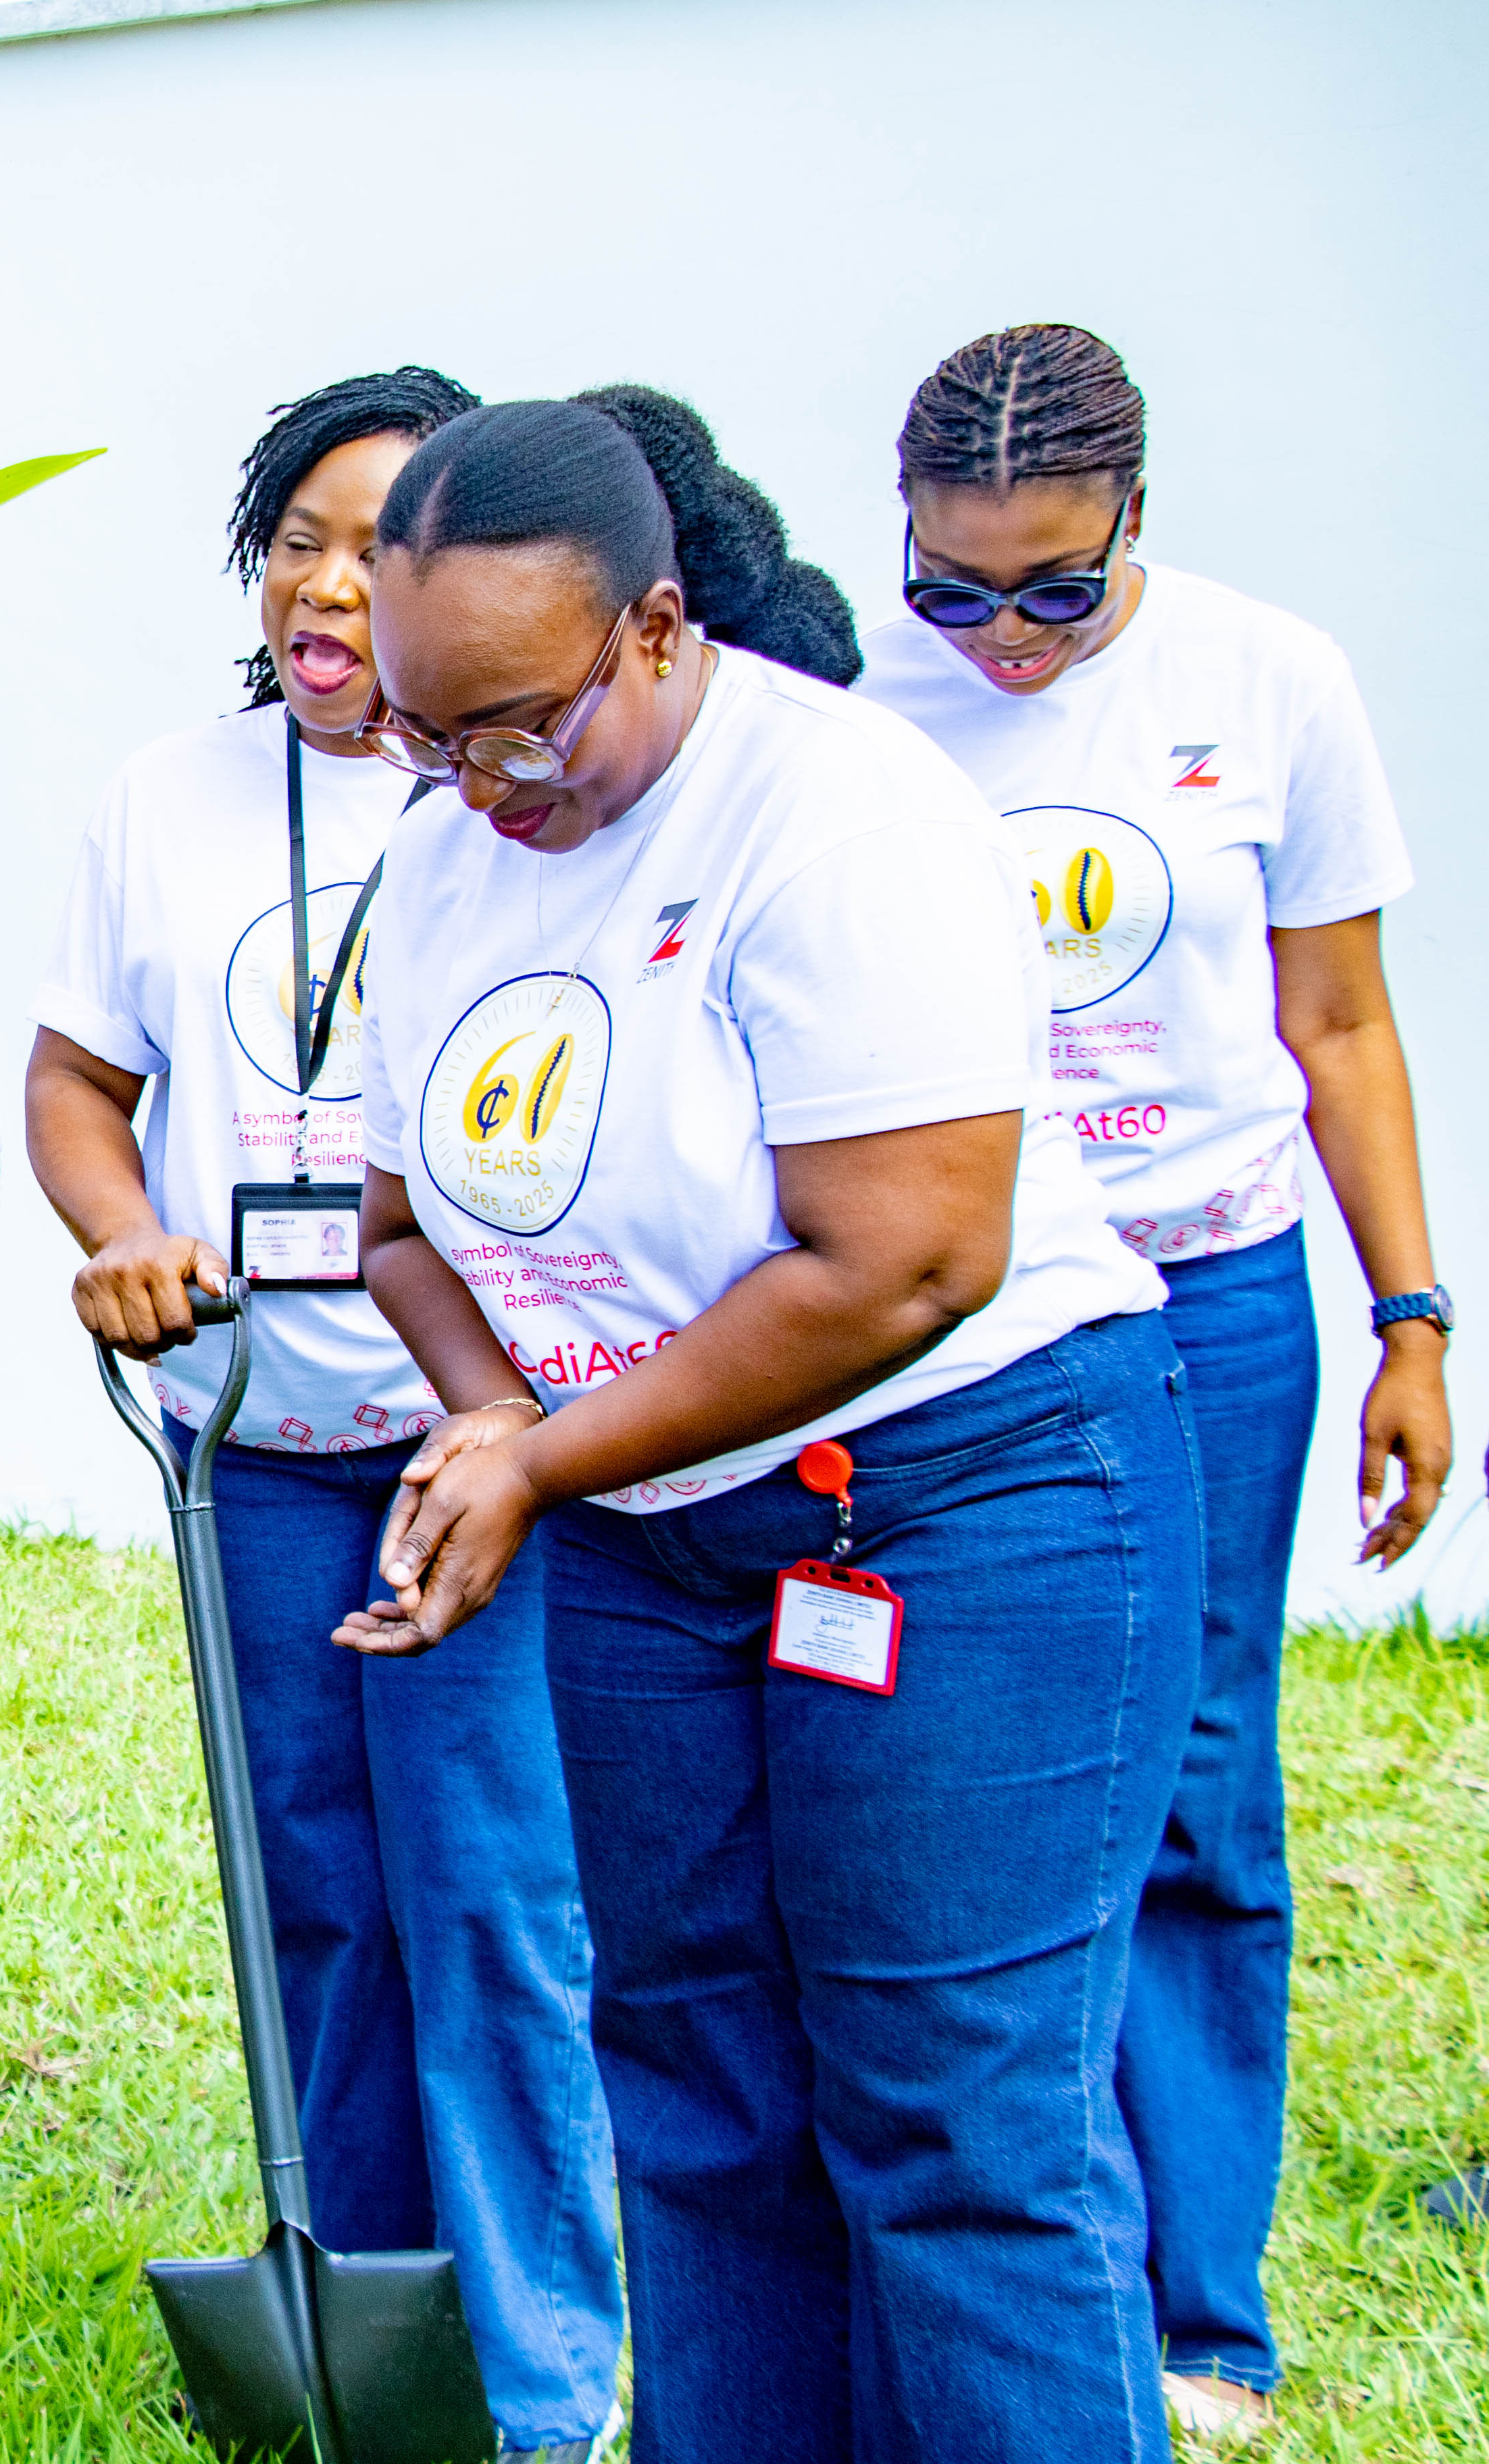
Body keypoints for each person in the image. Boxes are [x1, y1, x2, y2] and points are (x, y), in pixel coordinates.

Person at [335, 386, 1198, 2461]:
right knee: (698, 2089)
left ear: (657, 628)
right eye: (425, 735)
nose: (477, 785)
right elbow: (397, 1227)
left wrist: (543, 1457)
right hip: (653, 1540)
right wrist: (495, 1426)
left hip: (967, 1502)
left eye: (520, 727)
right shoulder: (442, 862)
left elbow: (904, 1261)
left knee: (953, 2124)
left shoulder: (838, 813)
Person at [855, 322, 1447, 2443]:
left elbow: (1341, 1028)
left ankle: (1201, 2306)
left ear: (1137, 523)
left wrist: (1411, 1317)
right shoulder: (852, 706)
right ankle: (1038, 2241)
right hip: (965, 1315)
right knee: (973, 1782)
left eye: (1054, 588)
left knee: (1199, 1773)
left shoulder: (1271, 680)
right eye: (954, 588)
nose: (1003, 638)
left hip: (1211, 1294)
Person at [28, 369, 622, 2462]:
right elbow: (76, 1085)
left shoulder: (522, 800)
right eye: (297, 542)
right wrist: (119, 1233)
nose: (328, 588)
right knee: (321, 1909)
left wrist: (525, 1409)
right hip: (254, 1451)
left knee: (494, 1907)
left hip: (479, 1452)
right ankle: (375, 2350)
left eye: (378, 550)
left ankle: (535, 2385)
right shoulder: (167, 799)